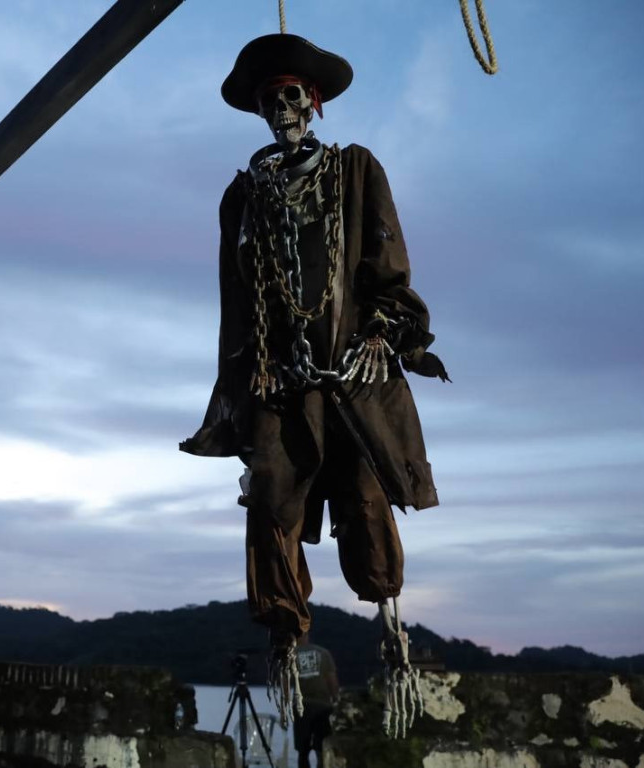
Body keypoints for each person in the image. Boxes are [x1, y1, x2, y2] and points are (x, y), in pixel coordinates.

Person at [180, 33, 447, 735]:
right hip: (280, 374)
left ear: (314, 101)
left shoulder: (354, 170)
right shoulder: (243, 196)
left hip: (351, 368)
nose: (279, 110)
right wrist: (242, 381)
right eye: (267, 100)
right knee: (272, 497)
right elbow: (235, 299)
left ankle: (392, 640)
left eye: (289, 95)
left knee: (364, 494)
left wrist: (382, 330)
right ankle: (283, 639)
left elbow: (386, 260)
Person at [293, 641, 338, 768]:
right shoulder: (323, 653)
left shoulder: (291, 655)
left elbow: (285, 682)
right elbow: (332, 680)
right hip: (323, 706)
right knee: (322, 749)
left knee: (303, 752)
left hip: (302, 707)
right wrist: (336, 701)